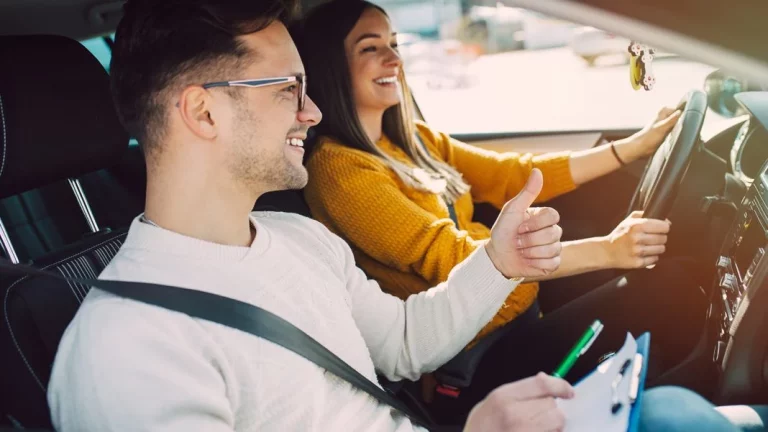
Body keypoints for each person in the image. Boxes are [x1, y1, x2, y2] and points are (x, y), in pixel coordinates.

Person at [42, 0, 767, 431]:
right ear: (202, 111)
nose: (313, 110)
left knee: (682, 414)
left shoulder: (300, 240)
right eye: (287, 89)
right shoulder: (124, 353)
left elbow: (403, 345)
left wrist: (498, 263)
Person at [295, 0, 707, 403]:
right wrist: (609, 249)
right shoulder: (340, 170)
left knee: (674, 278)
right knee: (675, 285)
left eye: (395, 44)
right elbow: (456, 256)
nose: (394, 59)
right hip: (477, 363)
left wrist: (633, 148)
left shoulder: (413, 139)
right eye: (371, 48)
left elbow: (511, 175)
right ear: (332, 65)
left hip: (521, 316)